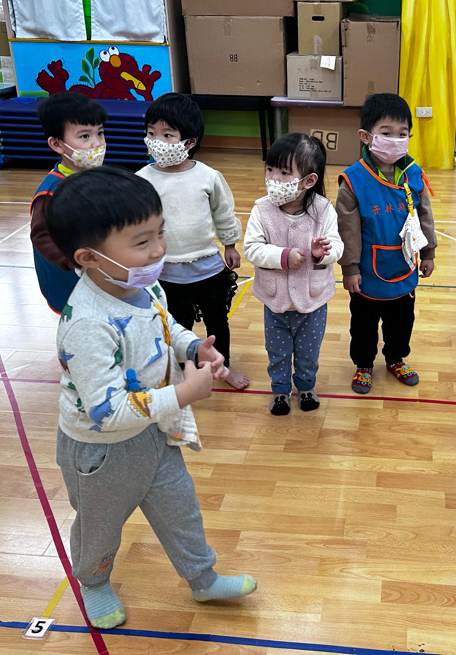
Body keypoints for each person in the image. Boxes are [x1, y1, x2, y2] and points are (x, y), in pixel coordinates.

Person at [45, 167, 257, 629]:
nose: (159, 248)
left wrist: (192, 347)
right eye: (142, 241)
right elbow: (107, 411)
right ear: (90, 257)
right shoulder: (88, 324)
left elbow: (165, 325)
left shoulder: (142, 280)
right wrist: (184, 393)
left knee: (181, 511)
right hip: (99, 452)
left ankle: (202, 578)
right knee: (99, 528)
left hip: (152, 435)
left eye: (160, 233)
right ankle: (94, 583)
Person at [136, 93, 249, 390]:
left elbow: (223, 213)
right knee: (175, 326)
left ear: (190, 142)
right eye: (151, 133)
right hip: (166, 272)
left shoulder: (207, 176)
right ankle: (182, 369)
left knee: (217, 323)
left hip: (207, 268)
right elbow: (136, 225)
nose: (156, 141)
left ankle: (222, 365)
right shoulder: (142, 179)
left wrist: (230, 244)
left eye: (167, 135)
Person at [336, 93, 438, 395]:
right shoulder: (353, 180)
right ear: (366, 136)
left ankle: (395, 359)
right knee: (363, 326)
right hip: (366, 274)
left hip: (404, 269)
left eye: (402, 134)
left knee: (402, 323)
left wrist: (428, 252)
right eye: (386, 133)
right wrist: (350, 268)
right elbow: (347, 230)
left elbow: (424, 215)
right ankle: (364, 365)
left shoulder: (413, 174)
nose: (395, 140)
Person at [243, 133, 343, 416]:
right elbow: (252, 248)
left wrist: (323, 252)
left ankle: (306, 386)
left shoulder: (324, 210)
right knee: (277, 352)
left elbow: (337, 246)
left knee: (309, 352)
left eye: (284, 173)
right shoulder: (262, 210)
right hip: (275, 302)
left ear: (308, 181)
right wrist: (282, 256)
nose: (273, 178)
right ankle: (280, 391)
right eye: (270, 169)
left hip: (313, 301)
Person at [30, 93, 107, 314]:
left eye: (100, 133)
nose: (97, 143)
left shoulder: (97, 175)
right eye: (85, 136)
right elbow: (41, 236)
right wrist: (75, 262)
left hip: (101, 273)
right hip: (72, 279)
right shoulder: (52, 191)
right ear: (57, 144)